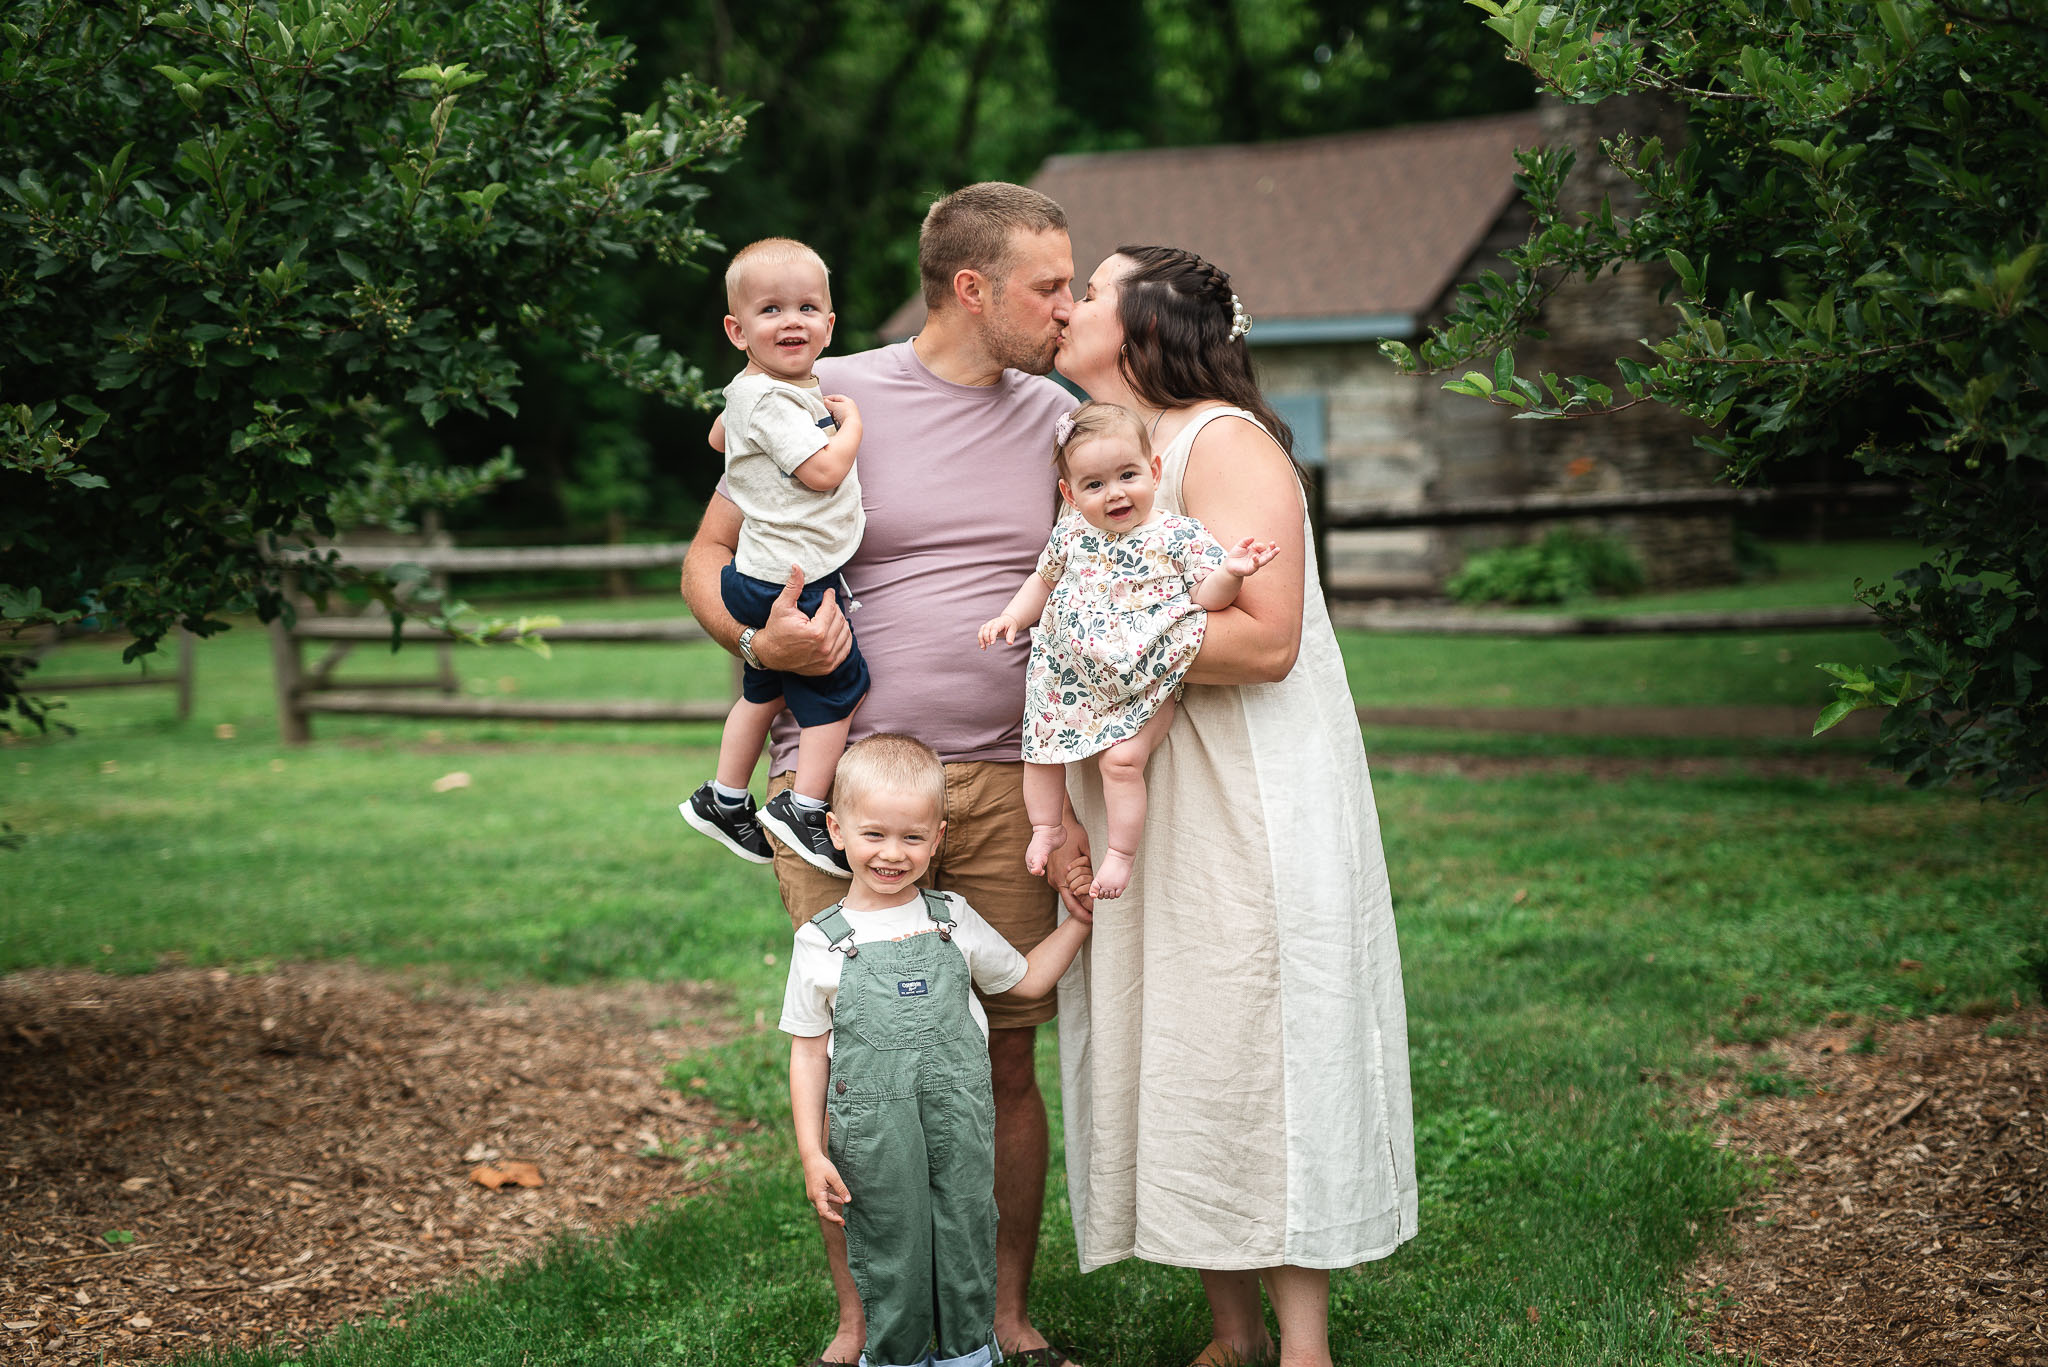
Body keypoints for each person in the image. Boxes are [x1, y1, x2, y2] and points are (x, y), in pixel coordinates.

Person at [682, 182, 1091, 1367]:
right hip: (852, 800)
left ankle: (999, 1314)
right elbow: (709, 555)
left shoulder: (1052, 413)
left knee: (1002, 1049)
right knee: (859, 1056)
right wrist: (758, 644)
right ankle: (862, 1321)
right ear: (974, 288)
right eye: (1048, 286)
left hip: (1016, 785)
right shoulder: (824, 390)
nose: (1064, 306)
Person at [1049, 245, 1417, 1367]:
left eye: (1091, 292)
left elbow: (1265, 639)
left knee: (1263, 1036)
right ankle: (1229, 1332)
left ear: (1143, 323)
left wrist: (1095, 644)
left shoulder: (1222, 440)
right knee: (1187, 1041)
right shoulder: (1109, 451)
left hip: (1244, 791)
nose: (1065, 307)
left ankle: (1301, 1347)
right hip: (1157, 789)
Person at [783, 734, 1092, 1367]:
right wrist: (813, 1152)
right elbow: (809, 1052)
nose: (892, 854)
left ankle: (969, 1354)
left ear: (939, 837)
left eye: (912, 838)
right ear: (836, 831)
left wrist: (1079, 924)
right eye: (873, 836)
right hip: (872, 1131)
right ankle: (890, 1352)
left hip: (959, 1121)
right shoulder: (821, 942)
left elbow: (1026, 981)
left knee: (965, 1233)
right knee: (889, 1237)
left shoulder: (954, 918)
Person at [977, 401, 1277, 899]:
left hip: (1144, 680)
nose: (1114, 493)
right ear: (1069, 494)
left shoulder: (1176, 534)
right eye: (1094, 485)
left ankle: (1119, 855)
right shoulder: (1072, 532)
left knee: (1121, 763)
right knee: (1038, 749)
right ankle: (1045, 827)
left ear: (1154, 471)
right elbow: (1041, 581)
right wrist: (1012, 616)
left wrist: (1231, 572)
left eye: (1127, 475)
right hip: (1068, 681)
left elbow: (1206, 599)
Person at [680, 237, 868, 876]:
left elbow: (716, 437)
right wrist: (852, 429)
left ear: (829, 324)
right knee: (840, 689)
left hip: (755, 575)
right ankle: (805, 808)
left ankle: (724, 797)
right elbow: (821, 473)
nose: (792, 321)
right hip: (796, 577)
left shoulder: (748, 390)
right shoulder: (776, 398)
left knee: (761, 694)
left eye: (808, 308)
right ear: (737, 330)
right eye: (771, 310)